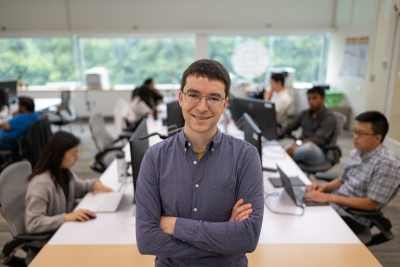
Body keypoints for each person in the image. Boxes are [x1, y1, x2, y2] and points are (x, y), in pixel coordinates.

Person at [136, 59, 264, 266]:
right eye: (193, 95)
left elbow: (247, 238)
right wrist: (222, 241)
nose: (202, 107)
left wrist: (175, 225)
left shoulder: (246, 156)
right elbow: (146, 241)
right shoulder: (154, 157)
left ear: (225, 104)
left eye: (214, 98)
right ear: (180, 98)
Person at [304, 111, 400, 234]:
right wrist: (322, 187)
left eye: (361, 134)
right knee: (299, 210)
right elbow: (341, 180)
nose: (355, 137)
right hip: (336, 204)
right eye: (354, 131)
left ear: (377, 138)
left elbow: (370, 204)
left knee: (306, 225)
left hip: (353, 217)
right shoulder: (356, 152)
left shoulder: (387, 164)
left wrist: (329, 197)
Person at [25, 131, 113, 263]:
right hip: (47, 244)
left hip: (64, 232)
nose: (77, 158)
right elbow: (33, 223)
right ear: (59, 154)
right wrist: (66, 217)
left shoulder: (64, 171)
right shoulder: (41, 183)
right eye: (74, 154)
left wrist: (95, 183)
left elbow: (79, 187)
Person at [279, 87, 336, 166]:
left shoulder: (328, 117)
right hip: (301, 146)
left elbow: (318, 139)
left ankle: (282, 163)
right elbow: (291, 126)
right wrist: (279, 132)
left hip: (318, 151)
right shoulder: (304, 114)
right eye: (309, 98)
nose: (311, 101)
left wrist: (297, 144)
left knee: (307, 147)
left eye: (314, 98)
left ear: (323, 98)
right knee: (284, 149)